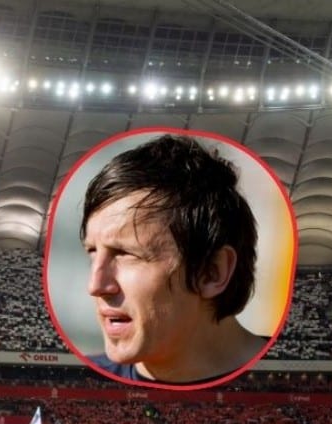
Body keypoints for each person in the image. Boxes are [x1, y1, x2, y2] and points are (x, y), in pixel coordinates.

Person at [79, 134, 264, 385]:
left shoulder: (290, 377)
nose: (96, 286)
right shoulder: (86, 377)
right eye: (92, 252)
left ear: (211, 272)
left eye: (125, 253)